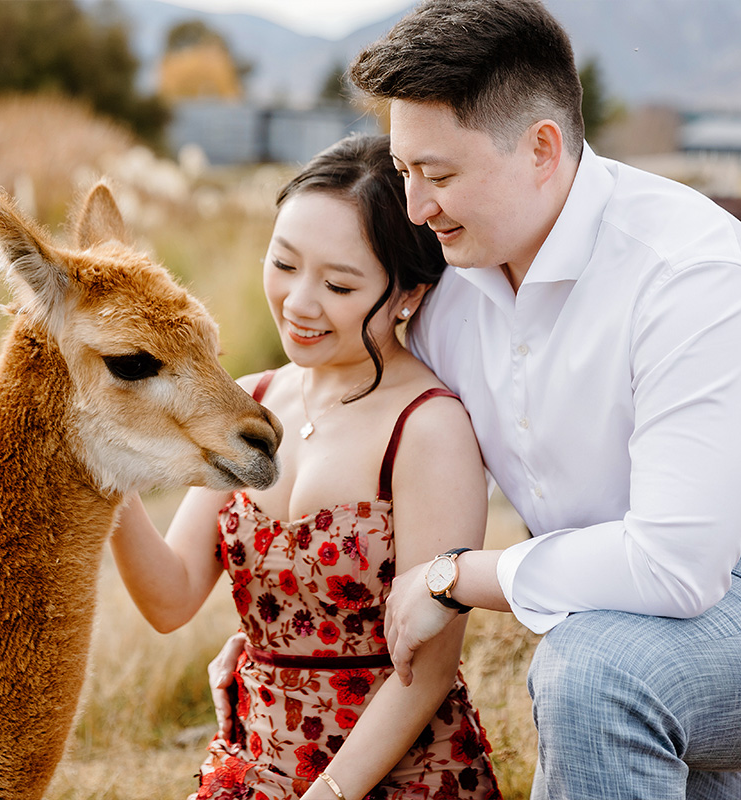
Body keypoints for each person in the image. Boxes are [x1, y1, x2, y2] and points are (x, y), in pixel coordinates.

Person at [329, 1, 741, 797]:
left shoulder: (691, 276)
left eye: (442, 175)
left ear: (542, 149)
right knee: (611, 657)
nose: (418, 207)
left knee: (598, 673)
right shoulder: (449, 286)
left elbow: (673, 568)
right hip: (635, 609)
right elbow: (367, 427)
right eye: (406, 172)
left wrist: (450, 576)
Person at [110, 133, 502, 800]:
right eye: (284, 264)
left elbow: (430, 672)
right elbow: (170, 598)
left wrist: (329, 794)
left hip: (396, 775)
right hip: (256, 765)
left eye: (339, 283)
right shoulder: (249, 401)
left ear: (408, 294)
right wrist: (107, 474)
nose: (299, 302)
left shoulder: (428, 425)